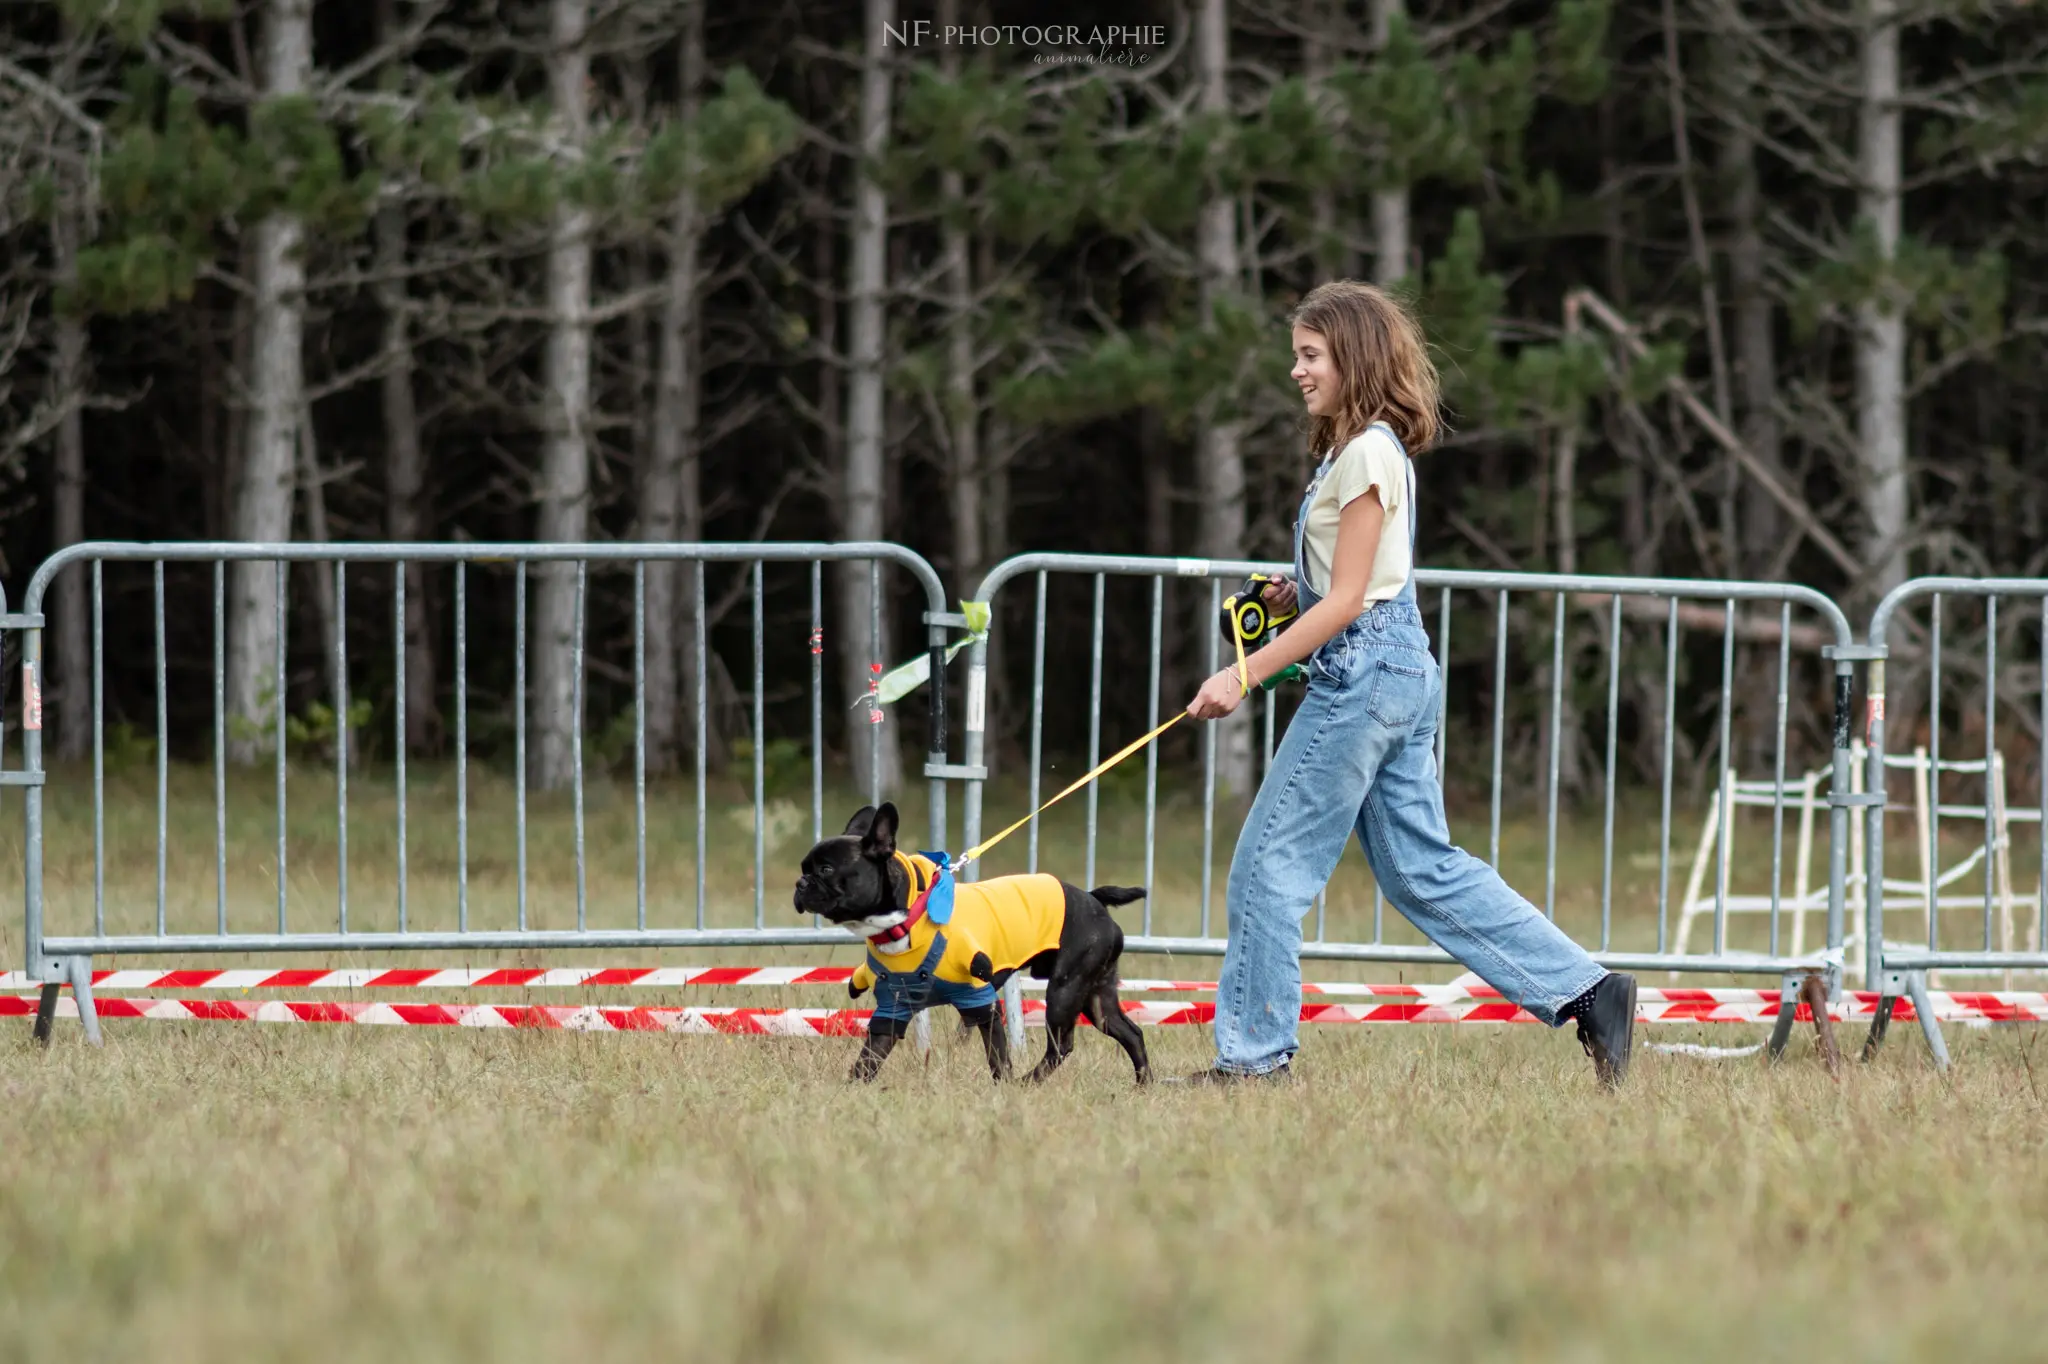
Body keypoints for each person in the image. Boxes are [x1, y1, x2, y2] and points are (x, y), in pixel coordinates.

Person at [1177, 280, 1637, 1087]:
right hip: (1396, 668)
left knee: (1266, 869)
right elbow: (1357, 582)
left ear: (1350, 359)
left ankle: (1251, 1062)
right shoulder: (1360, 451)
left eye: (1311, 356)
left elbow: (1353, 600)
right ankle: (1591, 993)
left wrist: (1243, 673)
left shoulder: (1365, 453)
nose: (1298, 372)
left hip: (1362, 673)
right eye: (1297, 356)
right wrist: (1294, 591)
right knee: (1423, 870)